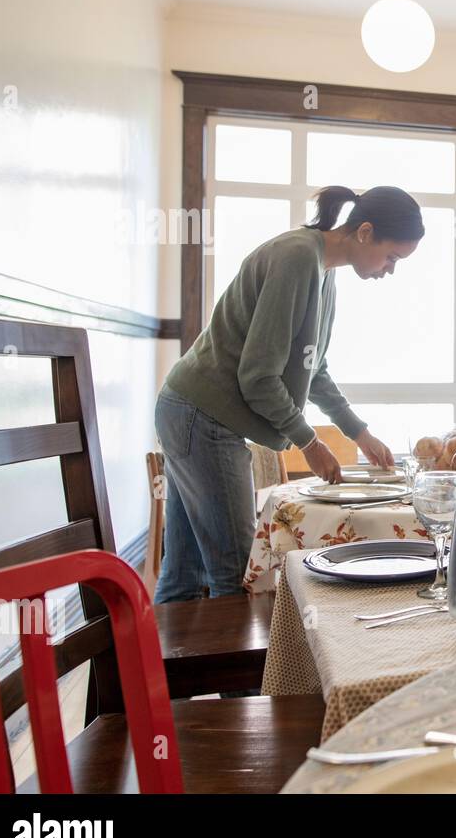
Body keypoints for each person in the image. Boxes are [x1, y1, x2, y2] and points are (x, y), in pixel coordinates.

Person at [154, 185, 421, 603]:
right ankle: (239, 670)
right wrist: (309, 443)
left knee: (185, 571)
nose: (390, 269)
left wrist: (359, 433)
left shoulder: (324, 271)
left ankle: (156, 669)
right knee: (235, 572)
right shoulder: (297, 257)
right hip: (201, 415)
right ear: (365, 232)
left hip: (190, 409)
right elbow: (258, 376)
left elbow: (314, 370)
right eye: (392, 257)